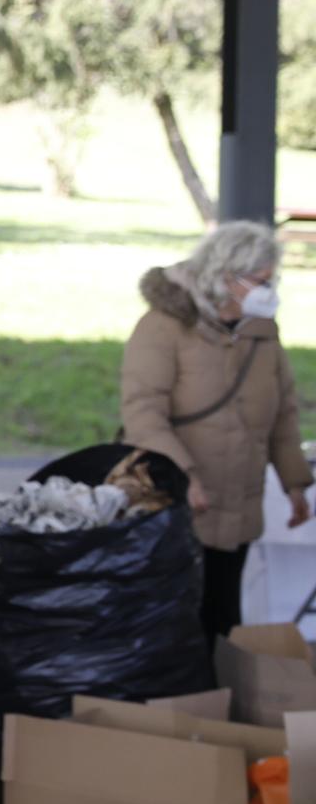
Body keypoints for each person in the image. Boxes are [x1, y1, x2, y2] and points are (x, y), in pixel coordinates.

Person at [122, 221, 312, 647]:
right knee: (179, 616)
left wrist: (295, 483)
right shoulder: (164, 326)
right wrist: (184, 475)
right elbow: (143, 412)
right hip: (180, 501)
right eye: (261, 280)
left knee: (224, 613)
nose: (270, 289)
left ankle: (221, 704)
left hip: (239, 499)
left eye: (272, 279)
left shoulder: (263, 330)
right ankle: (181, 707)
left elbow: (281, 411)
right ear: (227, 276)